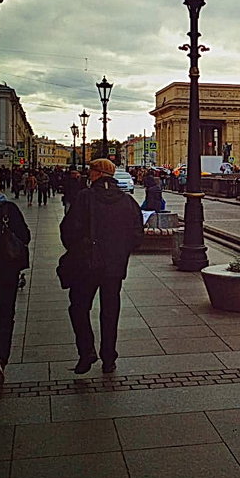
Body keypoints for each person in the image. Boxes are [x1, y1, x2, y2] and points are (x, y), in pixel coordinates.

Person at [59, 158, 143, 375]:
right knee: (110, 310)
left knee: (78, 307)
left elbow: (68, 230)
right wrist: (120, 251)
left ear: (97, 173)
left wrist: (79, 248)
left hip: (87, 265)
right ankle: (108, 357)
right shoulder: (127, 200)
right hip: (115, 268)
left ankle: (86, 351)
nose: (88, 174)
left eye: (90, 171)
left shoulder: (84, 197)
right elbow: (137, 235)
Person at [0, 171, 31, 386]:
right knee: (6, 312)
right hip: (6, 267)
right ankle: (1, 355)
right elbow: (25, 236)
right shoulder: (8, 208)